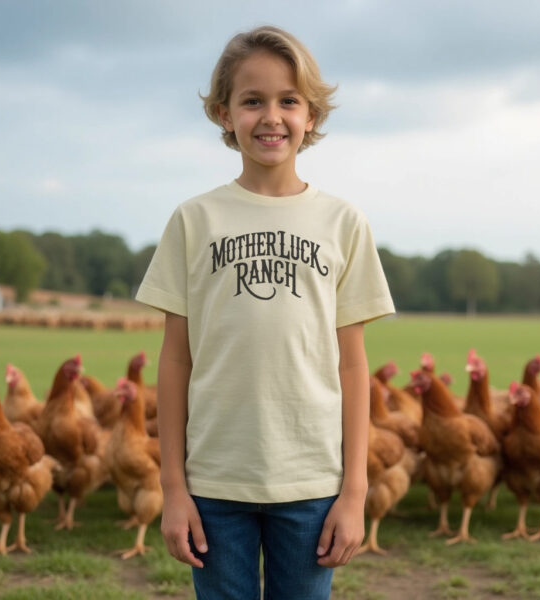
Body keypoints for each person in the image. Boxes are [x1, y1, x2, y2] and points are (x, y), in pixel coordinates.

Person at [135, 25, 395, 600]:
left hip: (311, 483)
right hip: (213, 484)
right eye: (252, 100)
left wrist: (354, 492)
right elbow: (175, 361)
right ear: (224, 114)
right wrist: (173, 488)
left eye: (288, 100)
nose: (271, 116)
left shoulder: (343, 223)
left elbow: (353, 367)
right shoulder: (193, 220)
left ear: (311, 115)